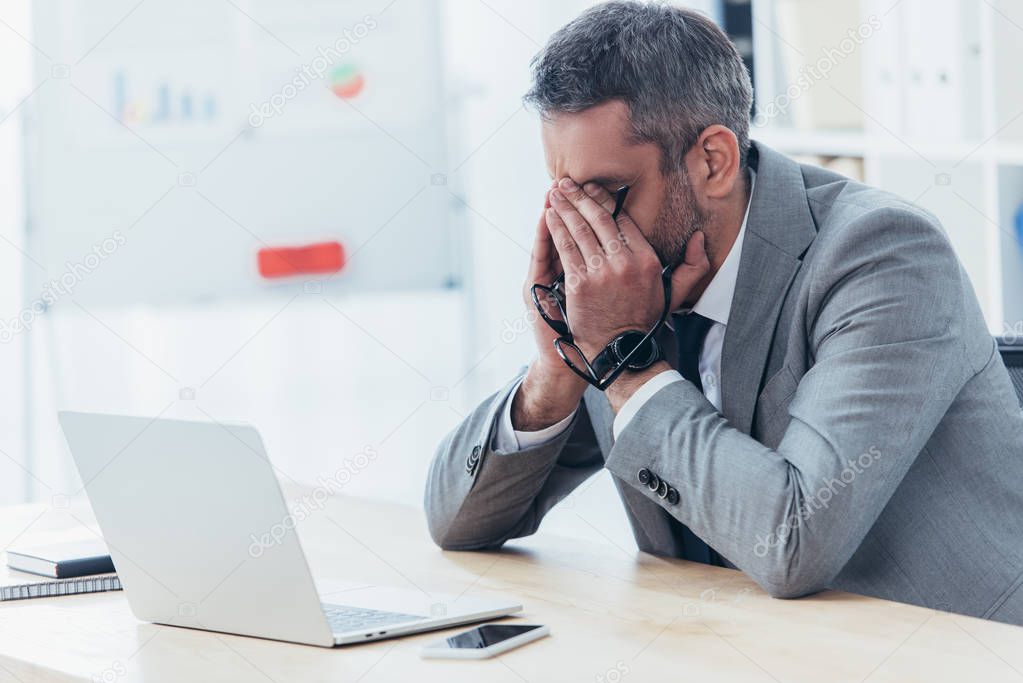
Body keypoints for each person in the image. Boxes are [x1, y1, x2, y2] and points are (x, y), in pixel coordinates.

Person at [424, 0, 1023, 624]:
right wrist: (553, 374)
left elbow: (795, 540)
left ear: (713, 161)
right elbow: (455, 521)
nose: (582, 234)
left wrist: (625, 361)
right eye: (566, 196)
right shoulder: (631, 290)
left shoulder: (884, 254)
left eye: (608, 195)